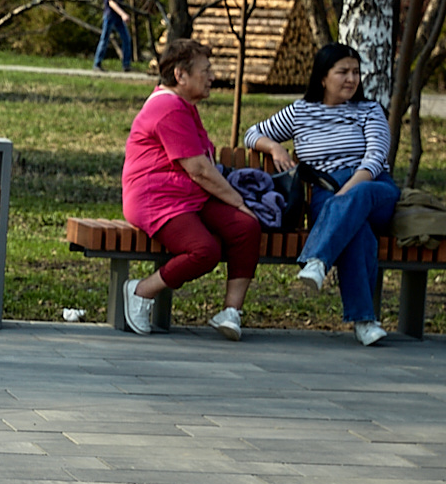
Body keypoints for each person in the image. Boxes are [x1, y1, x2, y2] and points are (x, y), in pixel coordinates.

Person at [243, 43, 400, 347]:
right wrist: (275, 147)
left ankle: (317, 258)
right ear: (322, 78)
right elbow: (253, 133)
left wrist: (345, 195)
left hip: (373, 187)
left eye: (355, 72)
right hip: (325, 193)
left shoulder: (371, 111)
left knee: (360, 197)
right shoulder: (301, 112)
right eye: (343, 72)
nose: (351, 79)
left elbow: (374, 160)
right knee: (356, 233)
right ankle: (365, 321)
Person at [119, 39, 260, 340]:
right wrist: (237, 201)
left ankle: (231, 312)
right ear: (181, 75)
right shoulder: (168, 107)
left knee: (245, 227)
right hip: (158, 200)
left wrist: (239, 210)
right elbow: (198, 169)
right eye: (205, 71)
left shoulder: (183, 105)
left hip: (189, 196)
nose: (212, 77)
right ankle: (142, 290)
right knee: (204, 250)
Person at [93, 0, 134, 71]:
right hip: (110, 15)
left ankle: (126, 64)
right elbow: (112, 2)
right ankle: (97, 63)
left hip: (118, 17)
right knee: (105, 39)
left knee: (126, 39)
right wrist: (123, 14)